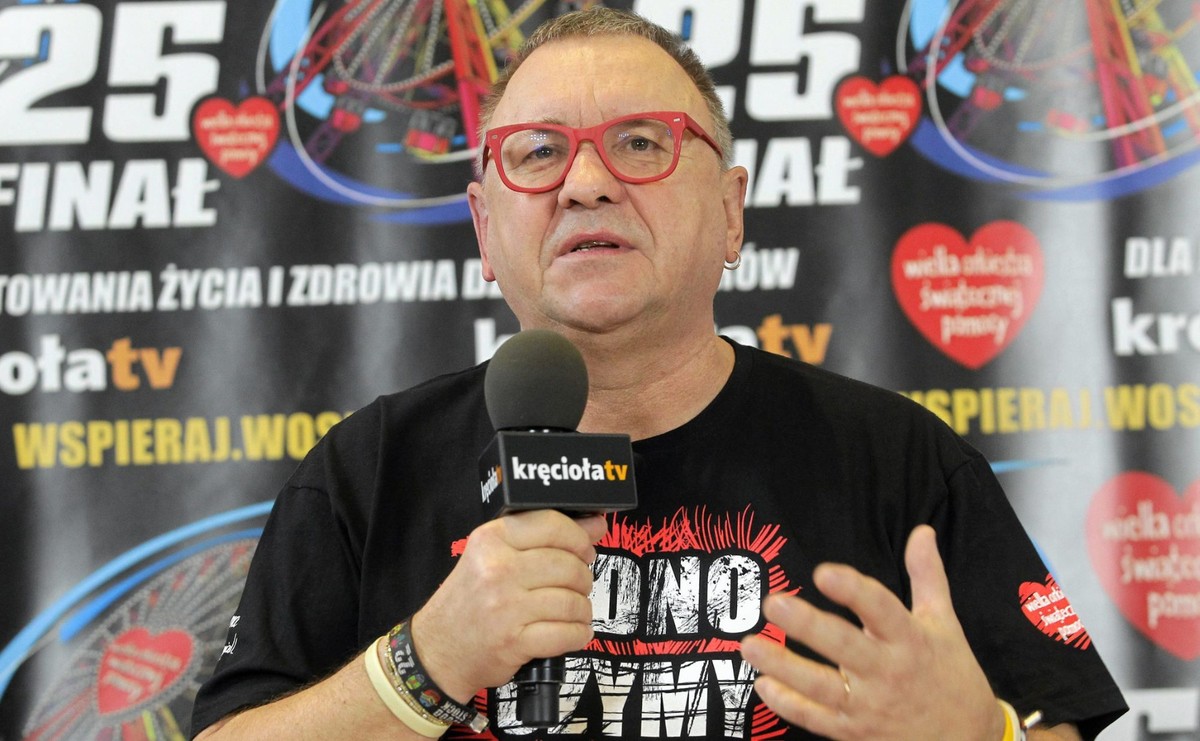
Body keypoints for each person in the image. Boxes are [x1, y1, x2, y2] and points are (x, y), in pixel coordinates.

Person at [190, 7, 1127, 740]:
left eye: (641, 142)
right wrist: (424, 661)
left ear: (731, 211)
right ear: (483, 229)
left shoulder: (897, 460)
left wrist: (982, 734)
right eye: (538, 152)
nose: (586, 183)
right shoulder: (367, 470)